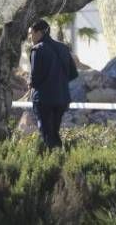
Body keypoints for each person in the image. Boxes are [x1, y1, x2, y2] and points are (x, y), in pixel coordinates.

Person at [29, 18, 78, 149]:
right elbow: (73, 74)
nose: (30, 37)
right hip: (62, 98)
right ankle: (60, 158)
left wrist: (33, 84)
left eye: (31, 33)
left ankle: (51, 162)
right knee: (54, 133)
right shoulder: (63, 48)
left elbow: (34, 79)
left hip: (44, 99)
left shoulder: (37, 50)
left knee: (46, 134)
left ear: (39, 33)